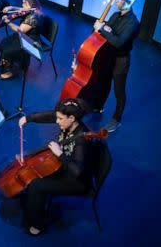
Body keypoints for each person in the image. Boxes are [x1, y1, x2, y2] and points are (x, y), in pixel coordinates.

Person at [17, 98, 94, 236]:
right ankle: (36, 201)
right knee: (37, 172)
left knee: (36, 185)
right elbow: (51, 115)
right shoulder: (68, 122)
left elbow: (77, 171)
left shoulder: (82, 139)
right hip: (63, 166)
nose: (56, 121)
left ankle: (37, 224)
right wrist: (29, 118)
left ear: (71, 118)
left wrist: (59, 154)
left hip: (77, 181)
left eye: (60, 118)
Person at [92, 0, 140, 132]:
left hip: (121, 60)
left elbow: (118, 42)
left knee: (119, 91)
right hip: (109, 56)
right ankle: (98, 106)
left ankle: (116, 119)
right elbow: (108, 30)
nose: (117, 0)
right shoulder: (115, 15)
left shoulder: (133, 23)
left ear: (129, 2)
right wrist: (102, 28)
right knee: (104, 83)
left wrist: (103, 30)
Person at [0, 0, 43, 79]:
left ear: (31, 5)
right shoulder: (30, 10)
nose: (22, 5)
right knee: (4, 42)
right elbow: (21, 9)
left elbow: (20, 30)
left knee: (8, 50)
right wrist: (11, 8)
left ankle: (10, 71)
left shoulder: (34, 17)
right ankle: (3, 62)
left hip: (30, 39)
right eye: (23, 2)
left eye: (24, 3)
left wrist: (8, 22)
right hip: (23, 35)